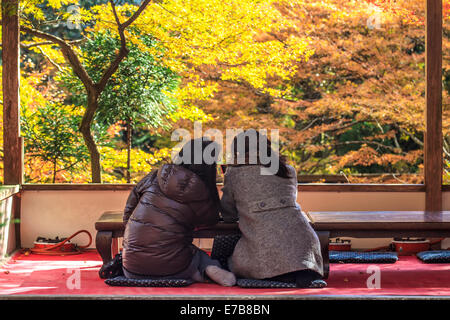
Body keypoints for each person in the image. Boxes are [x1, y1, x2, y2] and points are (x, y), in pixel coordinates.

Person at [121, 138, 236, 286]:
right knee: (197, 255)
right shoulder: (202, 192)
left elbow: (129, 210)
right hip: (172, 268)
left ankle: (199, 271)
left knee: (145, 252)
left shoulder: (154, 176)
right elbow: (210, 221)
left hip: (132, 268)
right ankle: (206, 268)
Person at [220, 130, 326, 288]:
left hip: (265, 251)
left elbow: (228, 214)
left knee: (225, 260)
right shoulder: (287, 169)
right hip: (305, 248)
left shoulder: (234, 173)